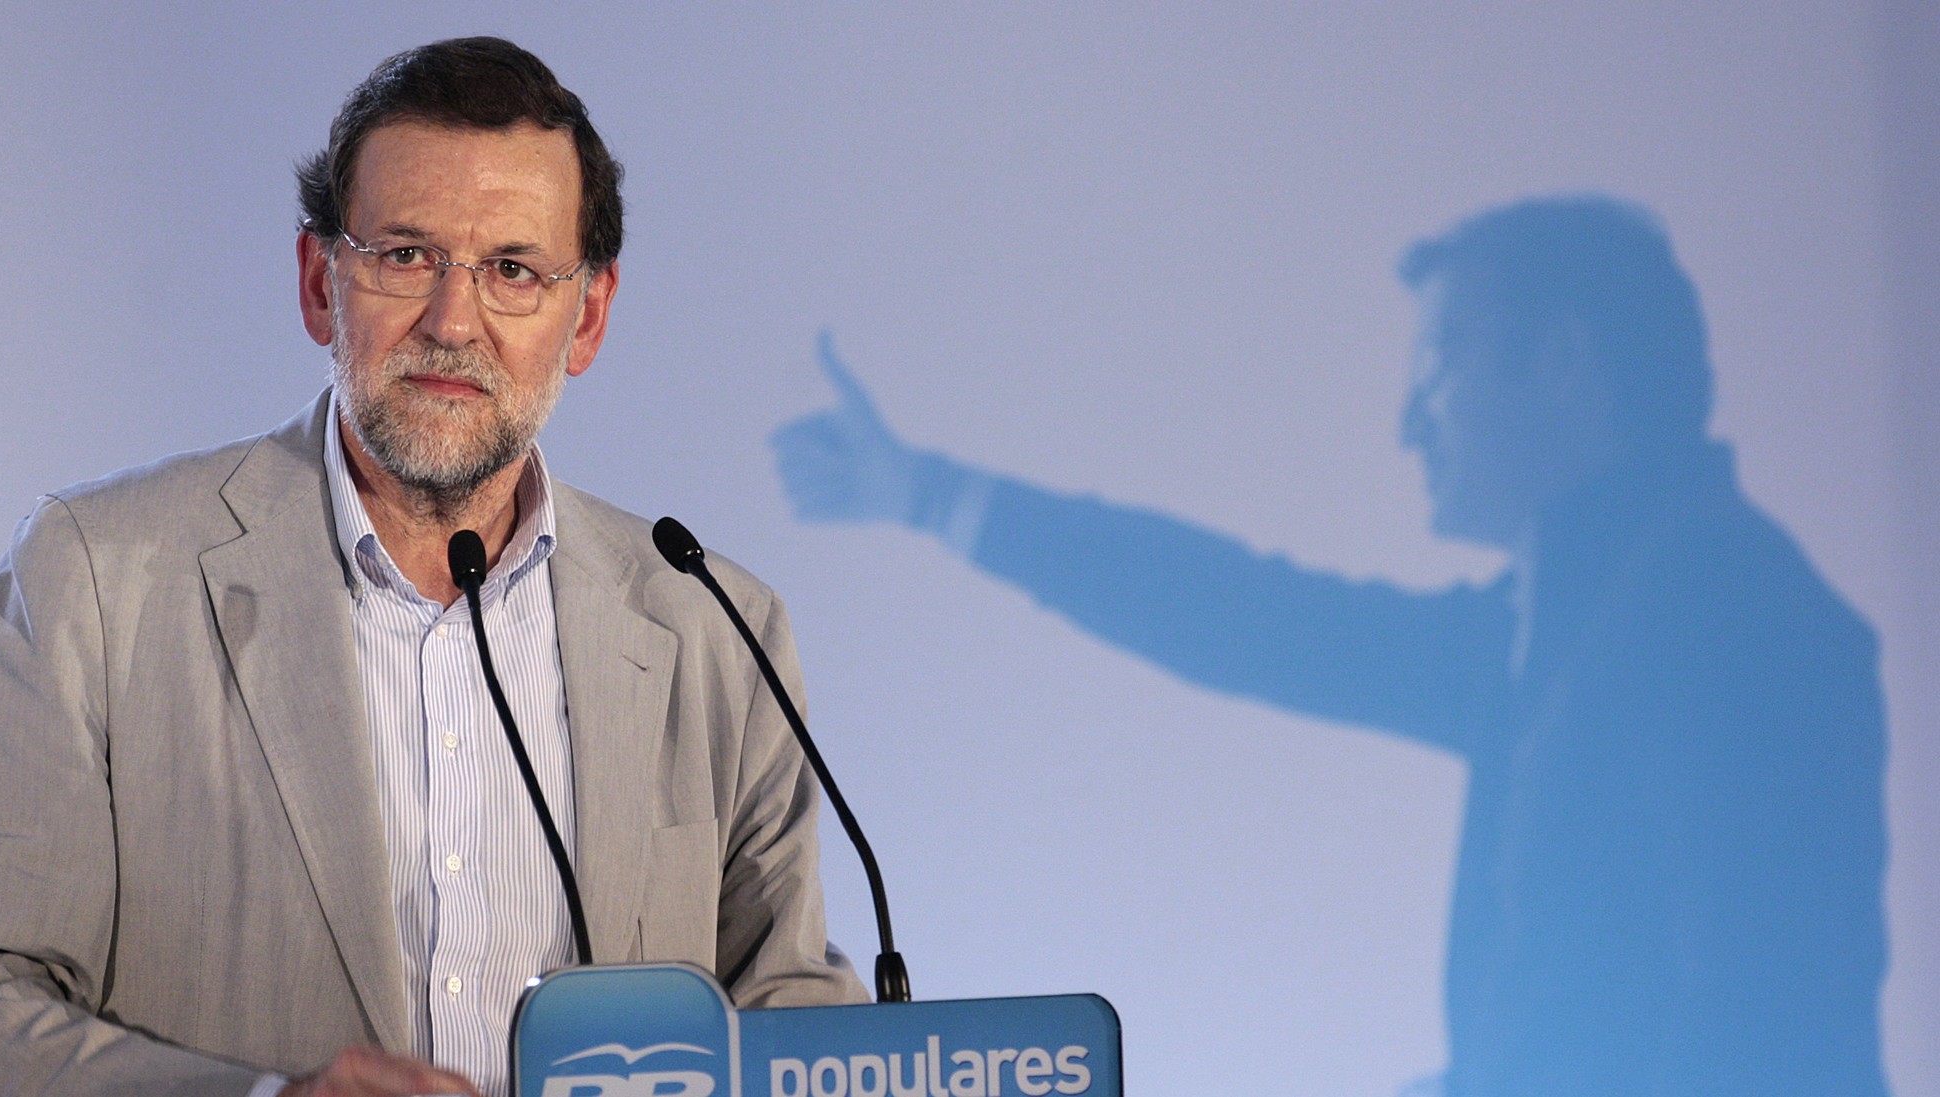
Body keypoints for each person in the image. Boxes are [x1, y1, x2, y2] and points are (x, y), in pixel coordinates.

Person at [0, 37, 863, 1097]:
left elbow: (795, 1021)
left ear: (589, 316)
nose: (452, 321)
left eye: (513, 270)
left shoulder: (715, 630)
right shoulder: (95, 584)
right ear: (318, 282)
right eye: (405, 255)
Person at [772, 196, 1889, 1096]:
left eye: (1442, 363)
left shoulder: (1717, 611)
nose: (1409, 423)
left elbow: (1762, 1018)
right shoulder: (1594, 611)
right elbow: (1260, 620)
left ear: (1563, 360)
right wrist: (931, 494)